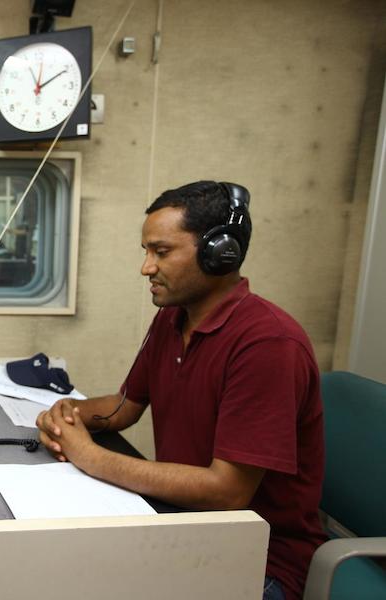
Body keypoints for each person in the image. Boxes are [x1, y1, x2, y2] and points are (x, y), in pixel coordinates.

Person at [36, 181, 326, 600]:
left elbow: (226, 491)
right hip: (183, 526)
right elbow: (123, 408)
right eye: (146, 252)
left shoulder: (268, 344)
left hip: (257, 562)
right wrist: (65, 414)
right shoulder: (172, 319)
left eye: (161, 251)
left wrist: (91, 456)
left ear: (220, 251)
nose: (146, 268)